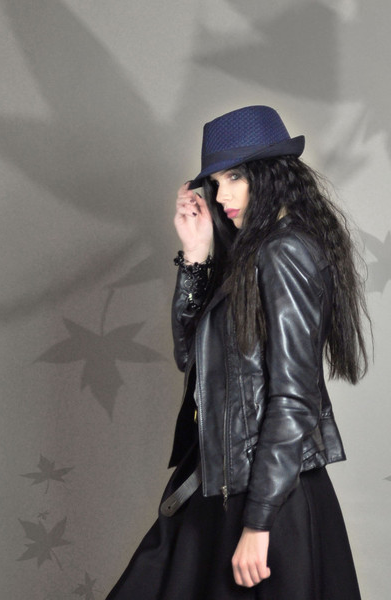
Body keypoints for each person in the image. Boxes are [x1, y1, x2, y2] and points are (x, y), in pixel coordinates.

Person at [106, 105, 369, 599]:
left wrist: (259, 522)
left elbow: (294, 398)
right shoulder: (254, 253)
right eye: (215, 181)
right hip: (224, 484)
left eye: (235, 176)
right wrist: (196, 256)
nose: (222, 194)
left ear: (272, 174)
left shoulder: (284, 252)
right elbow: (194, 361)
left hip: (266, 499)